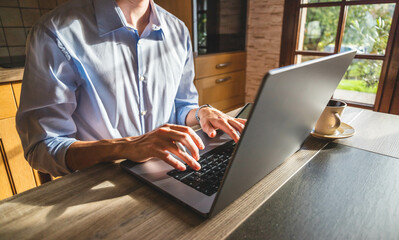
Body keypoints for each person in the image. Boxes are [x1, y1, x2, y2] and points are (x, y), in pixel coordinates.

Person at [16, 0, 246, 177]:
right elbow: (43, 147)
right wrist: (124, 148)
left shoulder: (178, 31)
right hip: (102, 186)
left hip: (172, 171)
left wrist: (199, 113)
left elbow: (180, 106)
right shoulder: (56, 33)